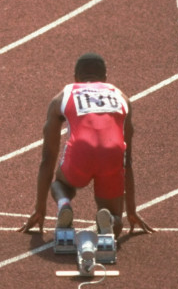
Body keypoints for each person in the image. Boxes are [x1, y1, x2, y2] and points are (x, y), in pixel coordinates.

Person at [19, 53, 153, 238]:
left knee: (59, 184)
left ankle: (64, 203)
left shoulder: (63, 96)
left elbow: (47, 159)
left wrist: (39, 209)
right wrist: (131, 210)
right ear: (105, 78)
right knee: (115, 224)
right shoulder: (121, 96)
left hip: (80, 151)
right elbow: (127, 161)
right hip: (112, 153)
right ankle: (110, 219)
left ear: (76, 77)